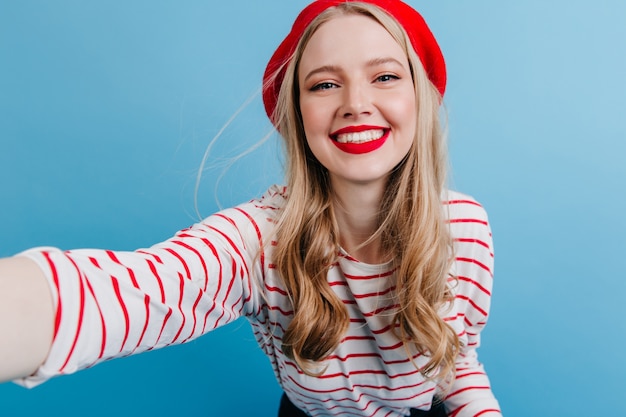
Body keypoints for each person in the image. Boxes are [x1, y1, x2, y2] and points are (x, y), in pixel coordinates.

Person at [0, 1, 502, 416]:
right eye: (324, 84)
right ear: (296, 113)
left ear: (421, 97)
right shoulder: (258, 240)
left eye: (386, 76)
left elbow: (458, 361)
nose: (355, 103)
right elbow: (133, 292)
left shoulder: (465, 226)